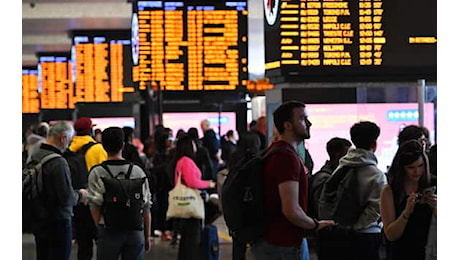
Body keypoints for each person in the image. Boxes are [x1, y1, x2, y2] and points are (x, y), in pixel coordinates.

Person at [251, 101, 335, 260]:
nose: (309, 123)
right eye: (302, 119)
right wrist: (316, 225)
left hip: (271, 241)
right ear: (288, 125)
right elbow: (291, 210)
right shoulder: (285, 158)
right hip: (283, 244)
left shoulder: (275, 152)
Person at [317, 121, 387, 260]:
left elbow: (326, 197)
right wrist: (356, 228)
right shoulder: (376, 174)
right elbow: (377, 207)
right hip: (366, 235)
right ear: (374, 144)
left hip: (337, 233)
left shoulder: (341, 168)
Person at [87, 127, 152, 260]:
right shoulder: (138, 171)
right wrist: (146, 236)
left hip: (109, 230)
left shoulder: (97, 172)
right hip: (135, 230)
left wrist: (100, 228)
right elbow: (146, 207)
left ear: (103, 146)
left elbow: (95, 205)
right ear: (123, 145)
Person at [30, 121, 89, 260]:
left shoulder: (36, 156)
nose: (69, 145)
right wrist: (81, 195)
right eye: (69, 141)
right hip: (58, 222)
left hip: (39, 219)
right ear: (62, 138)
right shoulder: (58, 162)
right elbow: (66, 197)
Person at [380, 140, 436, 260]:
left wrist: (435, 208)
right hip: (400, 252)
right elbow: (391, 234)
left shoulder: (433, 185)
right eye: (411, 168)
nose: (417, 172)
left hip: (429, 251)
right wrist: (406, 212)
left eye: (420, 166)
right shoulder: (390, 191)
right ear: (402, 168)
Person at [68, 117, 108, 260]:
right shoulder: (98, 149)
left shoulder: (68, 150)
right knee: (102, 241)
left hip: (77, 200)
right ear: (90, 130)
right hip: (96, 201)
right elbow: (106, 174)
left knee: (83, 244)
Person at [172, 135, 216, 260]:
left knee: (186, 237)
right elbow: (192, 182)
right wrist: (208, 184)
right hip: (191, 203)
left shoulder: (180, 161)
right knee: (193, 238)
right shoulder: (186, 161)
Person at [225, 131, 261, 260]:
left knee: (238, 247)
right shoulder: (257, 161)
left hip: (236, 209)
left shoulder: (235, 158)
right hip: (251, 211)